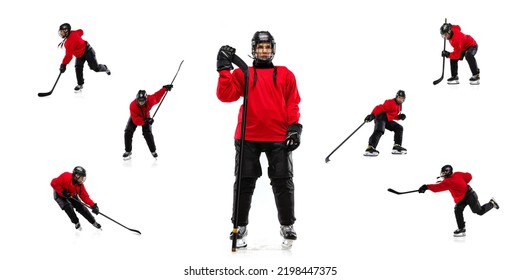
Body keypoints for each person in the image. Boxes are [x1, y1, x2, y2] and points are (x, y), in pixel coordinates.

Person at [216, 31, 302, 248]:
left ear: (273, 49)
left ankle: (287, 226)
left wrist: (294, 128)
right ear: (253, 49)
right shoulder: (244, 73)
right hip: (247, 136)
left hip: (279, 137)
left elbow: (293, 103)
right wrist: (224, 69)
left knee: (283, 181)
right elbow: (225, 96)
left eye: (267, 47)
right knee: (244, 182)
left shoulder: (285, 74)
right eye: (260, 47)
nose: (264, 51)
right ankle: (239, 226)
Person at [418, 165, 499, 237]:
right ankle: (461, 229)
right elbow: (469, 176)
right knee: (458, 210)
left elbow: (438, 187)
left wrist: (426, 187)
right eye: (442, 173)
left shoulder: (447, 181)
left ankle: (492, 203)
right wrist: (462, 182)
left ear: (448, 173)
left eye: (444, 173)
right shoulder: (457, 174)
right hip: (462, 197)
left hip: (470, 195)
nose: (442, 174)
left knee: (479, 212)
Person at [123, 84, 173, 160]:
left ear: (146, 100)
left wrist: (165, 89)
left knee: (147, 133)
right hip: (135, 117)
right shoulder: (132, 105)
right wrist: (145, 121)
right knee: (128, 132)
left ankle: (153, 151)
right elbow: (136, 121)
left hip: (146, 116)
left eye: (143, 101)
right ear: (137, 100)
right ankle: (128, 151)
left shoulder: (150, 100)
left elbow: (157, 96)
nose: (141, 103)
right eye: (139, 101)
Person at [57, 23, 111, 92]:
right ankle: (80, 84)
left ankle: (105, 68)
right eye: (60, 31)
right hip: (79, 55)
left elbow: (68, 56)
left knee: (95, 68)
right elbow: (81, 31)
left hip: (88, 51)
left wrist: (63, 65)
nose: (60, 33)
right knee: (78, 68)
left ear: (66, 31)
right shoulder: (74, 32)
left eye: (62, 31)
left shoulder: (69, 42)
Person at [50, 166, 101, 230]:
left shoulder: (80, 185)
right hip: (59, 194)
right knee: (68, 207)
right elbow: (53, 183)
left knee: (81, 207)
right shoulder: (65, 176)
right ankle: (76, 222)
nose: (82, 180)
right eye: (82, 177)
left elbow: (85, 196)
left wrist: (93, 205)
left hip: (71, 195)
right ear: (77, 176)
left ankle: (93, 222)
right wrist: (62, 191)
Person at [363, 90, 407, 156]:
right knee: (380, 130)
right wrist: (372, 115)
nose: (400, 100)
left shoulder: (399, 106)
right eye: (399, 97)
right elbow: (379, 108)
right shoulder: (390, 102)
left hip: (387, 120)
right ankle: (370, 148)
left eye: (402, 98)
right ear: (396, 97)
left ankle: (397, 146)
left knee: (399, 128)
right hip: (381, 117)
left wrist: (399, 117)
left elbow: (392, 115)